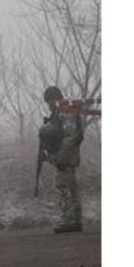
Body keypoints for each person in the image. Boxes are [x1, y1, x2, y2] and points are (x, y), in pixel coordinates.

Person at [41, 85, 85, 233]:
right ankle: (76, 220)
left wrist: (59, 158)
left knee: (63, 187)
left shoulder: (65, 112)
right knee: (71, 188)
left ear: (55, 99)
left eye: (50, 102)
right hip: (66, 157)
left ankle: (69, 220)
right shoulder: (63, 112)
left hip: (65, 158)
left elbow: (70, 137)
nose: (49, 105)